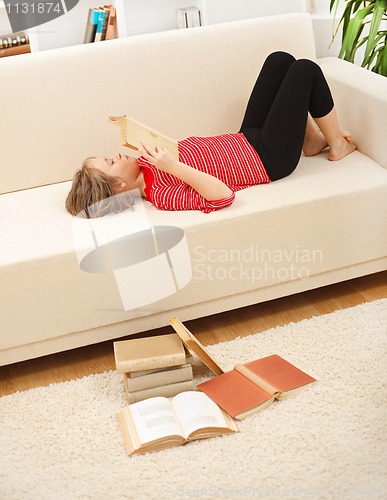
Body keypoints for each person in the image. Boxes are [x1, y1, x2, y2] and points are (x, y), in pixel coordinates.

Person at [65, 51, 356, 218]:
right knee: (305, 70)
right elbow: (222, 197)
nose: (115, 154)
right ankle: (336, 146)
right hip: (268, 159)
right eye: (111, 161)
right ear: (118, 186)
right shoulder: (161, 194)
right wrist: (173, 166)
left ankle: (310, 139)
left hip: (244, 139)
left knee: (280, 61)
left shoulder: (146, 160)